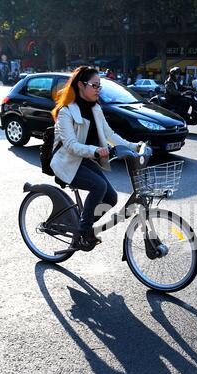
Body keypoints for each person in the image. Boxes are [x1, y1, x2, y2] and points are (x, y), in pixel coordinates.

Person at [51, 66, 143, 246]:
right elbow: (70, 145)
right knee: (99, 186)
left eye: (99, 86)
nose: (98, 90)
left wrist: (134, 146)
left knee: (111, 197)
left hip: (84, 161)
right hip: (66, 162)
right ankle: (85, 231)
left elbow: (110, 134)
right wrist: (95, 150)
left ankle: (82, 225)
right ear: (80, 85)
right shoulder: (66, 112)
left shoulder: (96, 109)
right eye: (94, 86)